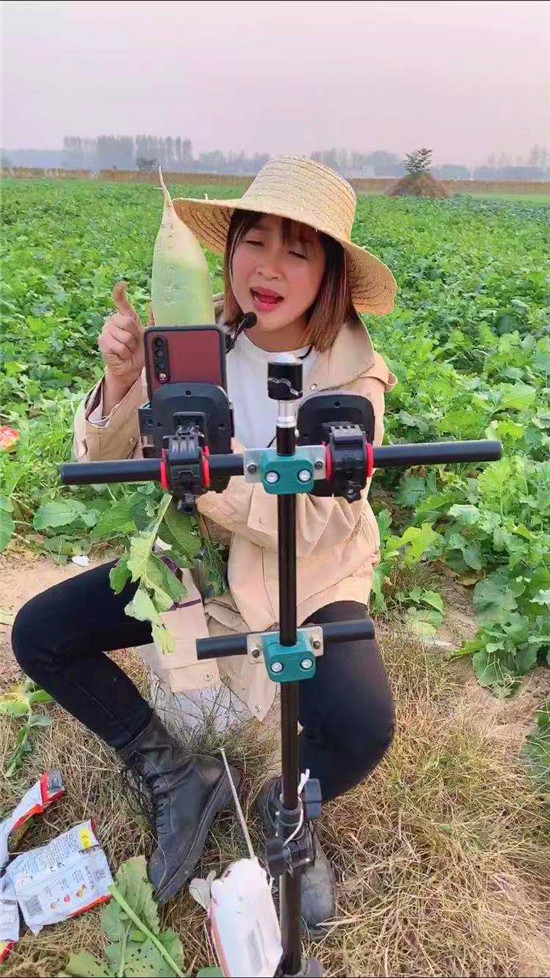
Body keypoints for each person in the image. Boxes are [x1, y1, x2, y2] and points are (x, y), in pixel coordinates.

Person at [12, 156, 398, 930]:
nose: (269, 267)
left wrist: (211, 478)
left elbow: (316, 521)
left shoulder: (354, 379)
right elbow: (109, 460)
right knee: (41, 635)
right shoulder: (195, 338)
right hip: (194, 561)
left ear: (329, 275)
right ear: (229, 251)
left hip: (310, 573)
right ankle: (176, 778)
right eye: (255, 241)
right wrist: (123, 382)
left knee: (361, 722)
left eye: (298, 250)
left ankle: (289, 807)